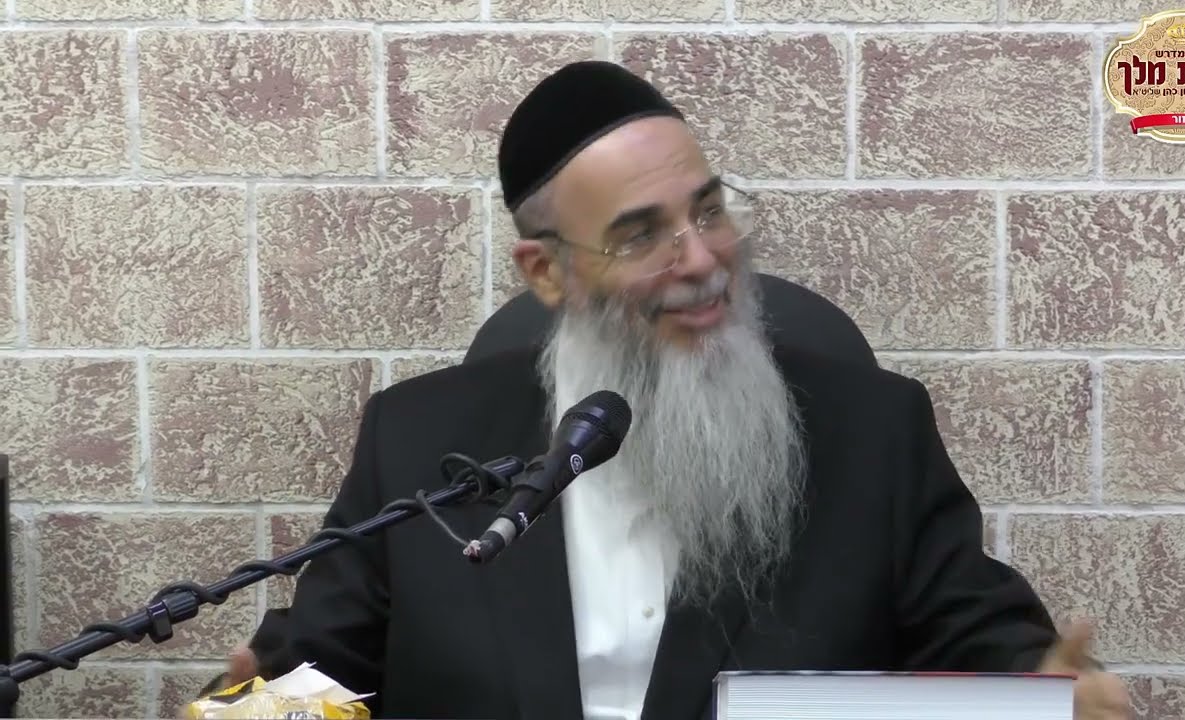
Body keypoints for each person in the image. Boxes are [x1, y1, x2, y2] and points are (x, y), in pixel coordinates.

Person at [216, 60, 1133, 719]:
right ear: (546, 272)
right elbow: (317, 671)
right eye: (641, 234)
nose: (701, 260)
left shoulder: (873, 431)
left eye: (709, 210)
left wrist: (1048, 692)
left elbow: (979, 639)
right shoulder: (418, 440)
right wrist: (252, 701)